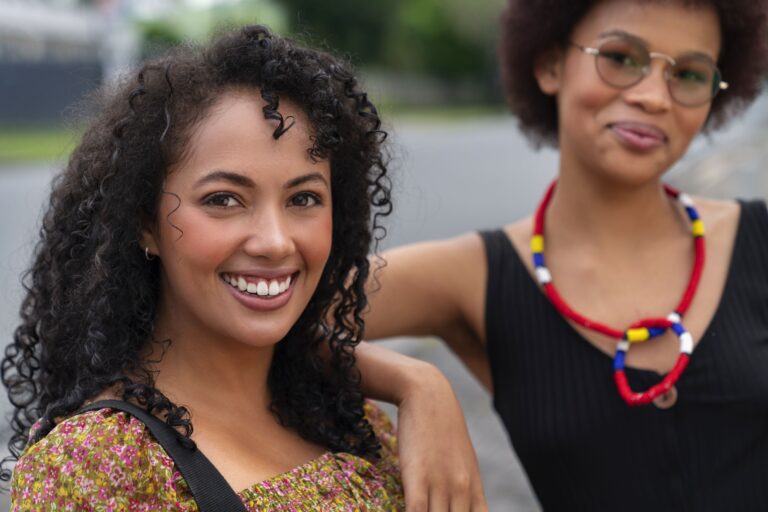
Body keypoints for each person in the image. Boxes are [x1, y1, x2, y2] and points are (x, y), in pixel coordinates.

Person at [2, 25, 486, 511]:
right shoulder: (96, 467)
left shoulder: (354, 421)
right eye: (224, 199)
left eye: (304, 198)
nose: (276, 242)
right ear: (146, 225)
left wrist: (421, 384)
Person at [358, 0, 768, 510]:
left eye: (688, 73)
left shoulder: (757, 236)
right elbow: (272, 317)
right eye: (621, 58)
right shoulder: (472, 275)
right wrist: (414, 382)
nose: (653, 96)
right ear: (550, 65)